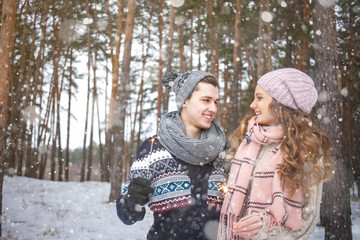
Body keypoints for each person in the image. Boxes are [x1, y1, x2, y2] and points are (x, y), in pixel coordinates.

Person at [217, 68, 334, 240]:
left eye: (259, 98)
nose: (252, 105)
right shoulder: (247, 140)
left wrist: (264, 229)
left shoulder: (306, 149)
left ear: (281, 103)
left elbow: (308, 220)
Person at [117, 71, 229, 240]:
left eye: (215, 102)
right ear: (185, 101)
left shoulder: (224, 151)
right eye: (206, 100)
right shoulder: (153, 148)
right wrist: (133, 202)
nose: (213, 108)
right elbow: (127, 215)